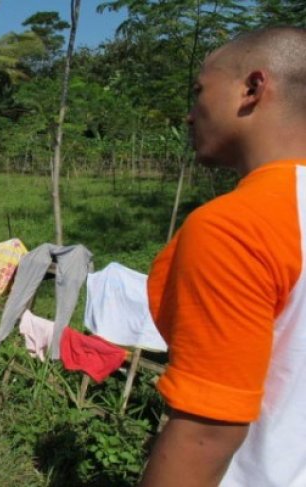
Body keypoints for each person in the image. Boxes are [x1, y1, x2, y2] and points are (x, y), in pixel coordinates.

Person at [142, 27, 306, 487]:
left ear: (253, 88)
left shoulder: (238, 226)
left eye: (199, 92)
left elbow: (207, 434)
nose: (191, 116)